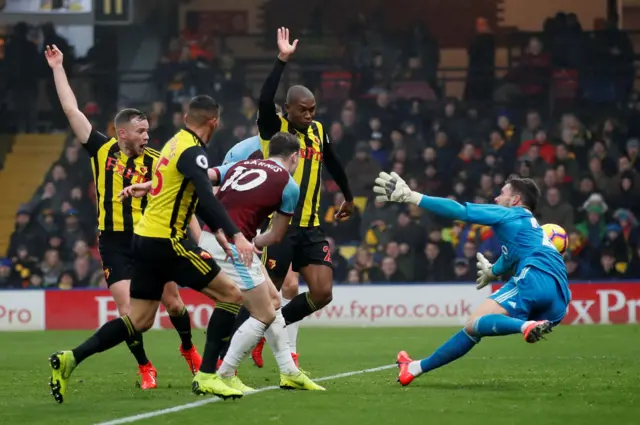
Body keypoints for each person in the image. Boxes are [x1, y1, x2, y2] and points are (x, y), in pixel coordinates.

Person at [48, 95, 256, 403]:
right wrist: (236, 234)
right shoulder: (192, 151)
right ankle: (211, 375)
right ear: (214, 122)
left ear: (186, 119)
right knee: (232, 296)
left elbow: (174, 190)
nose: (146, 137)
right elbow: (206, 198)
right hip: (166, 242)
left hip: (142, 240)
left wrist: (144, 188)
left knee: (139, 320)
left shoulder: (171, 147)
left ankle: (70, 358)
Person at [44, 45, 199, 392]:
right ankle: (145, 366)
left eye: (148, 131)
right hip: (113, 242)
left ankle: (188, 349)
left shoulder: (160, 160)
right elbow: (71, 109)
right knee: (131, 313)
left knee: (174, 303)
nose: (147, 136)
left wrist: (198, 240)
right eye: (140, 131)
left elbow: (184, 200)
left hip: (151, 239)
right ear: (122, 133)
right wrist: (58, 68)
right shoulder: (100, 149)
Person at [373, 172, 570, 386]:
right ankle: (413, 368)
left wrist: (412, 197)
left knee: (474, 324)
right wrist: (492, 272)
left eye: (502, 194)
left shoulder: (510, 215)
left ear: (515, 200)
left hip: (535, 277)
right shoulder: (532, 230)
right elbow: (509, 258)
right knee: (473, 327)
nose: (496, 198)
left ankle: (525, 326)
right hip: (560, 297)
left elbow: (460, 211)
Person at [243, 27, 354, 368]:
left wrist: (348, 197)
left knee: (322, 293)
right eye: (303, 110)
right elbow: (263, 100)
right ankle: (229, 355)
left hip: (311, 226)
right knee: (267, 301)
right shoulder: (274, 130)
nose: (309, 115)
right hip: (280, 226)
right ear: (287, 110)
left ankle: (269, 332)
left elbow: (333, 162)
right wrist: (281, 60)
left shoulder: (319, 131)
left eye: (313, 109)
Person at [192, 132, 323, 392]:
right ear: (295, 157)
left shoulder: (239, 165)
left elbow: (201, 177)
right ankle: (224, 372)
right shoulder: (289, 185)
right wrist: (255, 243)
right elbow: (276, 235)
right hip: (231, 247)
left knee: (274, 301)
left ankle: (288, 371)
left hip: (213, 237)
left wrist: (154, 186)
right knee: (263, 314)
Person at [218, 105, 302, 368]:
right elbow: (222, 186)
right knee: (252, 301)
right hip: (238, 234)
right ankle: (221, 362)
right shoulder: (242, 151)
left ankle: (289, 361)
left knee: (283, 292)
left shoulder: (287, 152)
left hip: (267, 227)